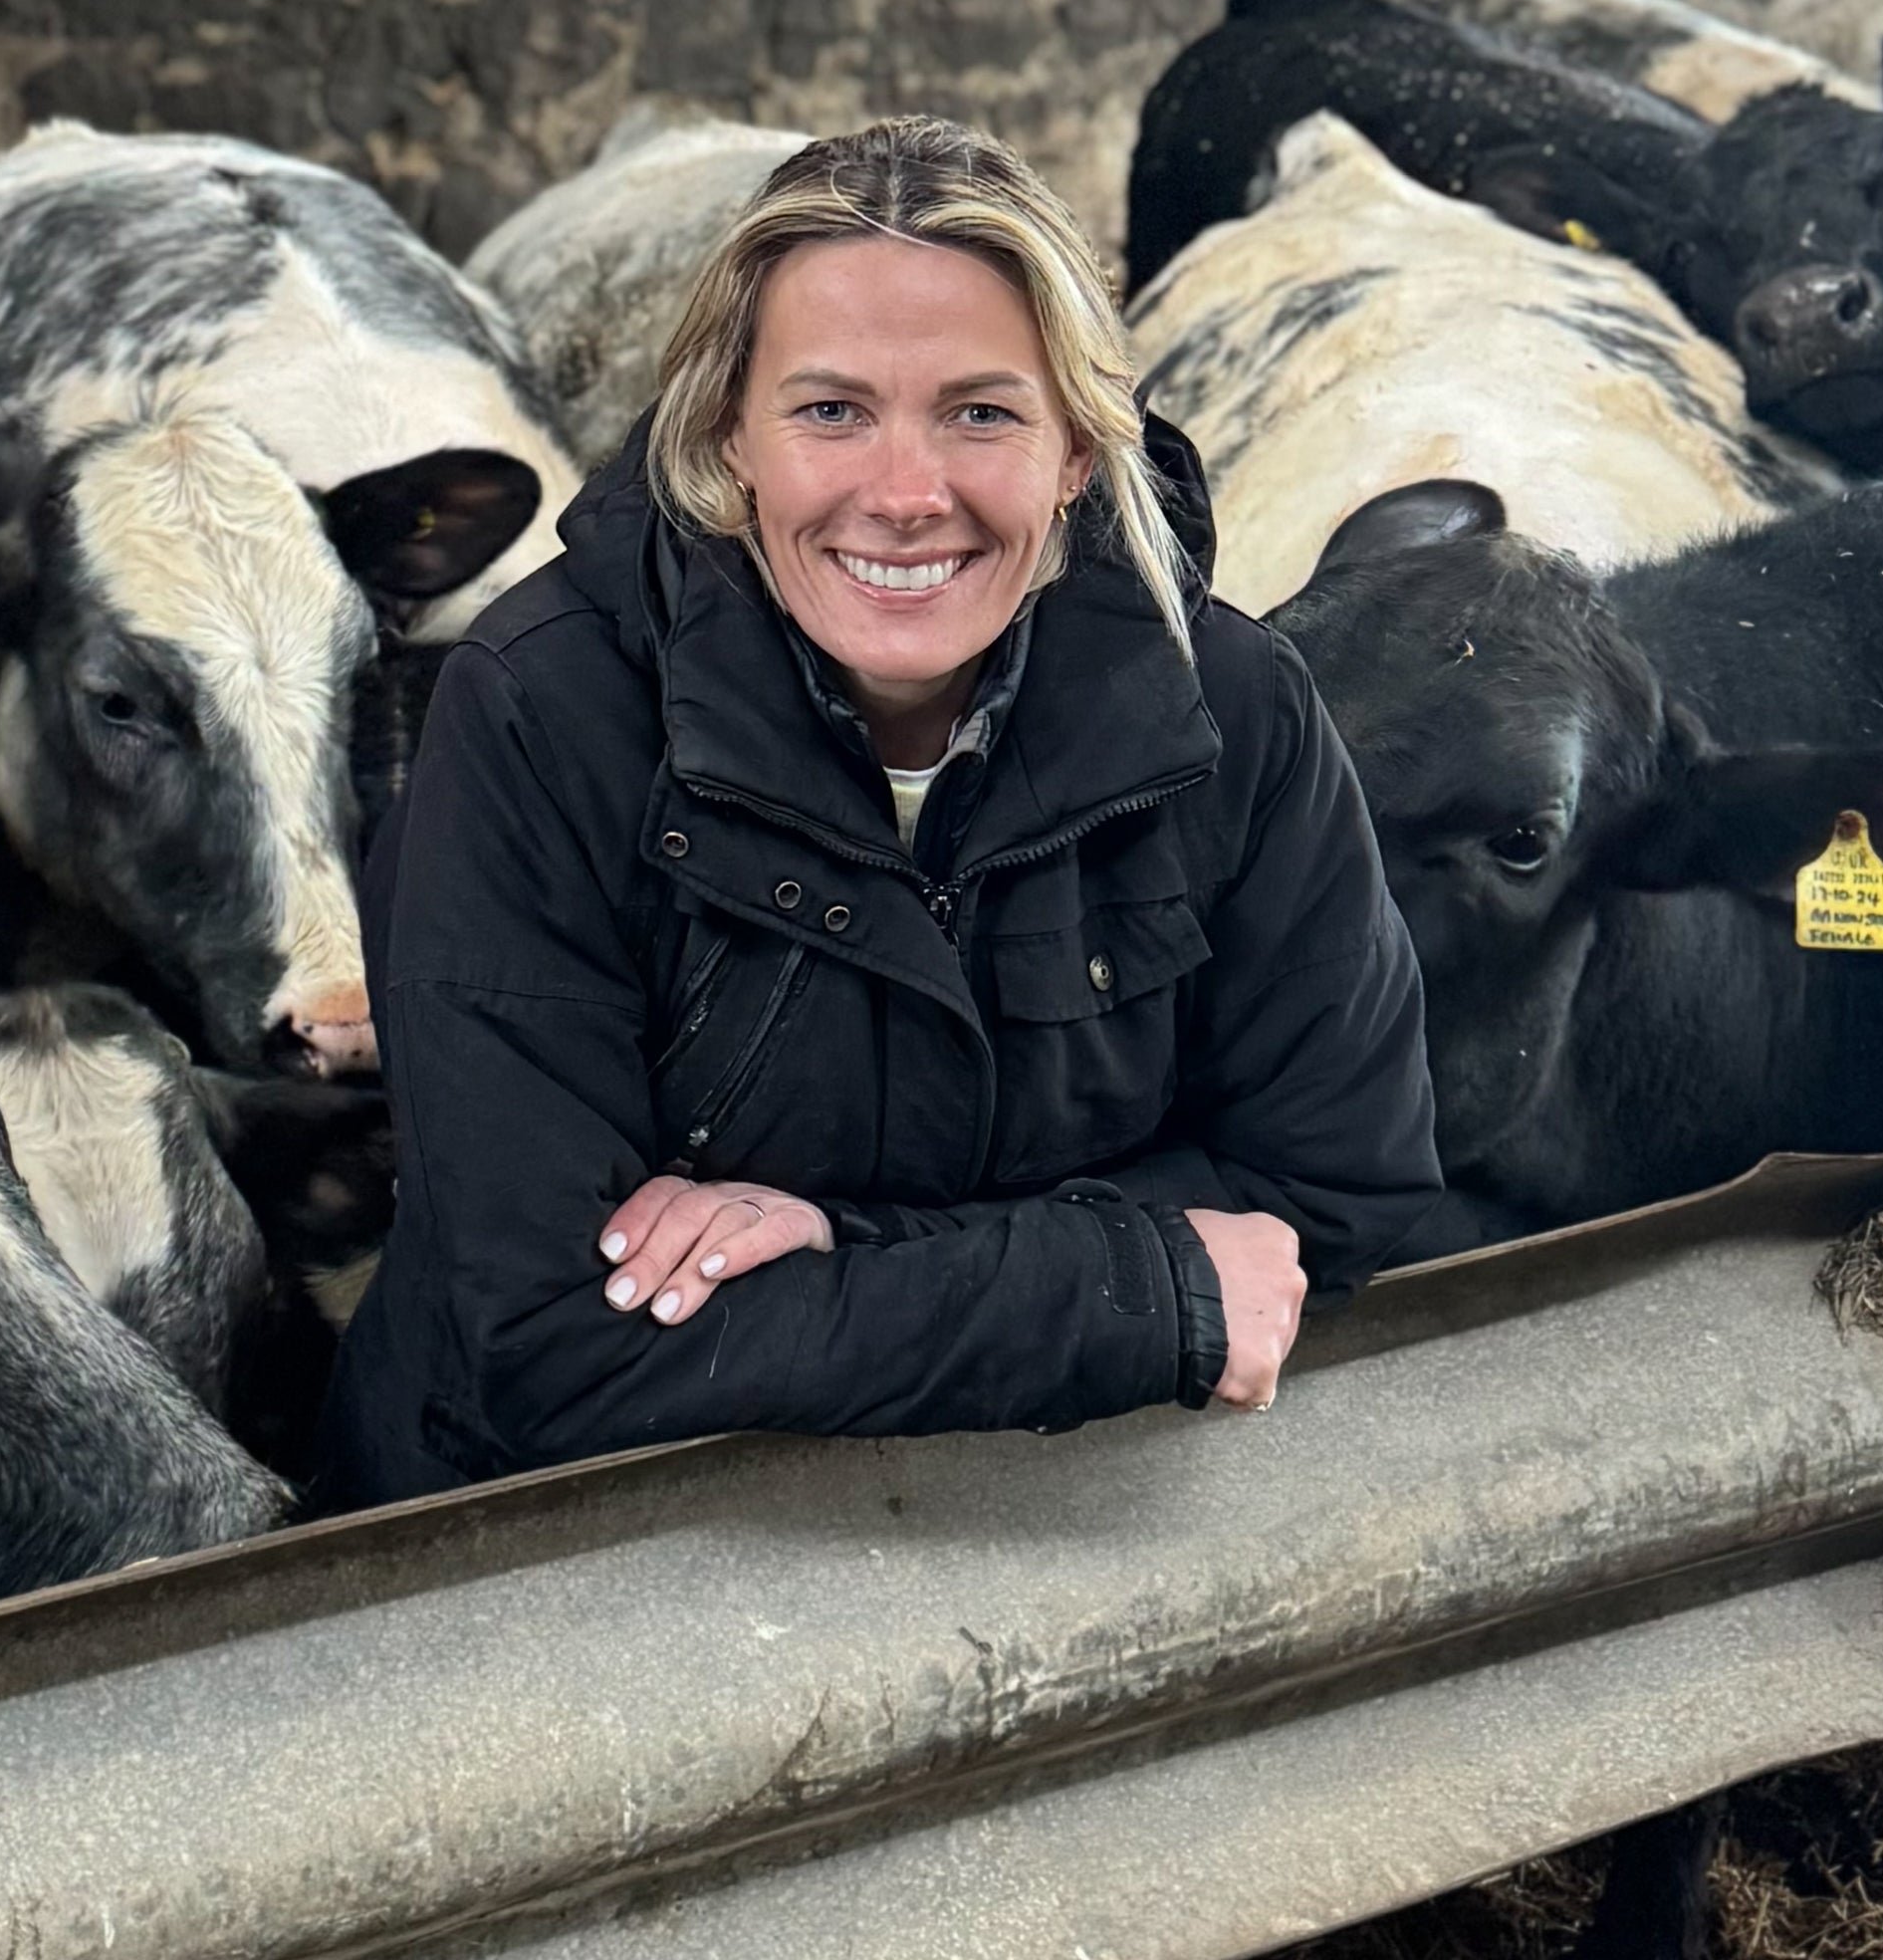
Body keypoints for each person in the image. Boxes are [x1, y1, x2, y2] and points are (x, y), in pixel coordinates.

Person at [320, 116, 1439, 1507]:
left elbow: (1345, 1194)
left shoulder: (1232, 710)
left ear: (1081, 453)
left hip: (1061, 1506)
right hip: (559, 1548)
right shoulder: (542, 715)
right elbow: (549, 1346)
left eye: (982, 412)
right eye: (830, 410)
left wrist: (842, 1240)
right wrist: (1122, 1284)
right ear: (730, 440)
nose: (907, 496)